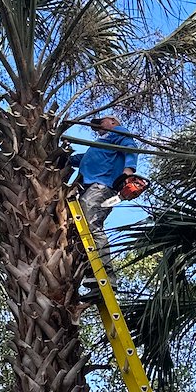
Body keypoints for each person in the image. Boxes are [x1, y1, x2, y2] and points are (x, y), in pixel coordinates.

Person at [70, 110, 139, 295]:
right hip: (90, 186)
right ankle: (92, 274)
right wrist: (63, 157)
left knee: (91, 225)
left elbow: (130, 147)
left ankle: (105, 274)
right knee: (81, 227)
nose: (98, 125)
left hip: (102, 185)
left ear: (112, 121)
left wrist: (128, 172)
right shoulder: (100, 145)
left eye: (102, 121)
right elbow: (83, 159)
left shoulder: (118, 133)